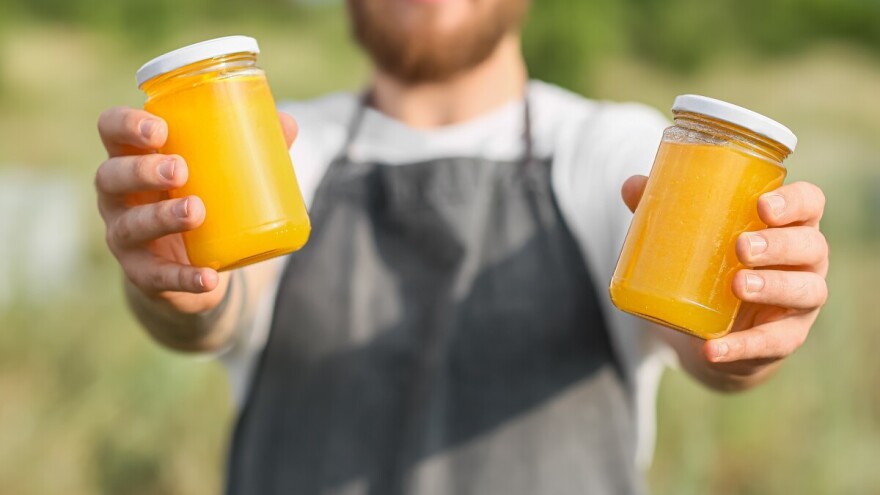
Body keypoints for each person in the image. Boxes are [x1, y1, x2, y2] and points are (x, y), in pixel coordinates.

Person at [94, 0, 829, 493]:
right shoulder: (278, 147)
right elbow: (212, 311)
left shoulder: (612, 149)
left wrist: (748, 329)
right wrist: (174, 283)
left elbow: (703, 338)